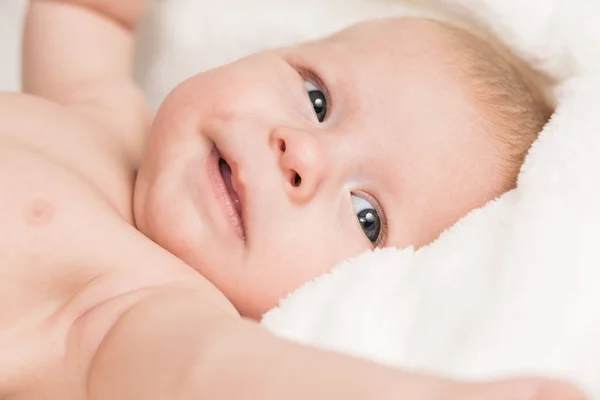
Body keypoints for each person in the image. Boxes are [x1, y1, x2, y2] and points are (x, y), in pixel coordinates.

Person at [0, 0, 577, 398]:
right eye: (317, 98)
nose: (302, 153)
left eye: (365, 215)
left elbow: (211, 376)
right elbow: (90, 13)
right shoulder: (102, 113)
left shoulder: (138, 310)